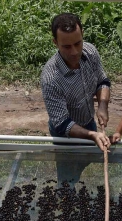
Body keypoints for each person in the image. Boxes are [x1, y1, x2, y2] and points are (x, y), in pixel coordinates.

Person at [41, 13, 111, 186]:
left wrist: (102, 105)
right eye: (66, 46)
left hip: (88, 122)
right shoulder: (51, 78)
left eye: (77, 43)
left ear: (82, 35)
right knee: (67, 178)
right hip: (65, 134)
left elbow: (103, 81)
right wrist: (91, 135)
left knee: (86, 160)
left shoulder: (90, 51)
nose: (74, 51)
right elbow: (62, 123)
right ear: (55, 43)